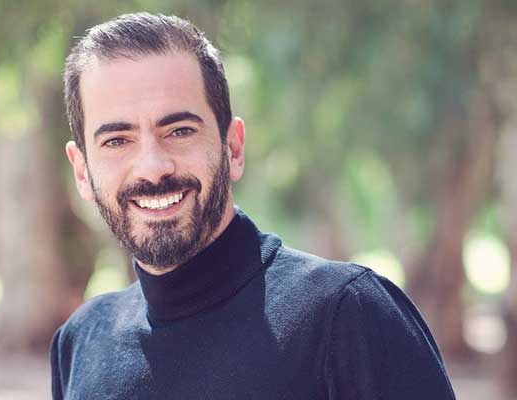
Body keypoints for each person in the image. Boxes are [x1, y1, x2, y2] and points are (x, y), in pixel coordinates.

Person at [50, 12, 456, 400]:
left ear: (233, 148)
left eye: (179, 131)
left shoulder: (346, 315)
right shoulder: (80, 343)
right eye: (117, 141)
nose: (153, 168)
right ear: (82, 171)